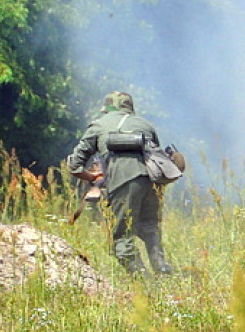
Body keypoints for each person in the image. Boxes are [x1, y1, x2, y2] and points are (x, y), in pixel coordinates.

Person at [66, 91, 174, 276]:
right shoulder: (145, 125)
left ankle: (144, 282)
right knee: (150, 227)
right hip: (151, 181)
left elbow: (74, 165)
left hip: (123, 181)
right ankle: (162, 269)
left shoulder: (99, 125)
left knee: (121, 238)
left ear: (107, 108)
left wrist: (91, 177)